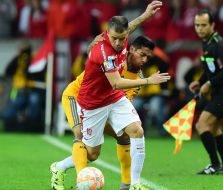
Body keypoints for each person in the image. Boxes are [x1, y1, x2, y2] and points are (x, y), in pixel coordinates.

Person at [50, 36, 155, 190]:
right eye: (142, 55)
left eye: (148, 57)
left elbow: (121, 104)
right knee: (81, 138)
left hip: (102, 104)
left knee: (124, 135)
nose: (145, 60)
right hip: (77, 98)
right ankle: (72, 176)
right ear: (132, 49)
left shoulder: (138, 78)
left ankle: (128, 184)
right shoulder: (114, 58)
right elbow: (96, 51)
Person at [189, 9, 223, 175]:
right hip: (219, 91)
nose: (199, 28)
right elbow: (211, 69)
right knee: (215, 128)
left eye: (203, 25)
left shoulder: (218, 43)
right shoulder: (206, 41)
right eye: (197, 25)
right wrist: (200, 81)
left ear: (212, 25)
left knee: (201, 125)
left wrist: (209, 83)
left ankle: (215, 165)